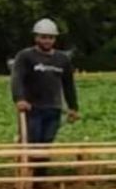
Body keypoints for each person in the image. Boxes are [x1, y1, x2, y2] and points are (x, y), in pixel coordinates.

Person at [10, 18, 80, 177]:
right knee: (32, 143)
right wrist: (19, 98)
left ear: (55, 39)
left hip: (53, 108)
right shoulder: (26, 56)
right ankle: (26, 176)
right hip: (32, 108)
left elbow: (68, 84)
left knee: (46, 144)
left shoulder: (62, 59)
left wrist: (73, 107)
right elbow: (17, 79)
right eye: (43, 37)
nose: (47, 40)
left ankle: (40, 179)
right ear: (36, 38)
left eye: (50, 37)